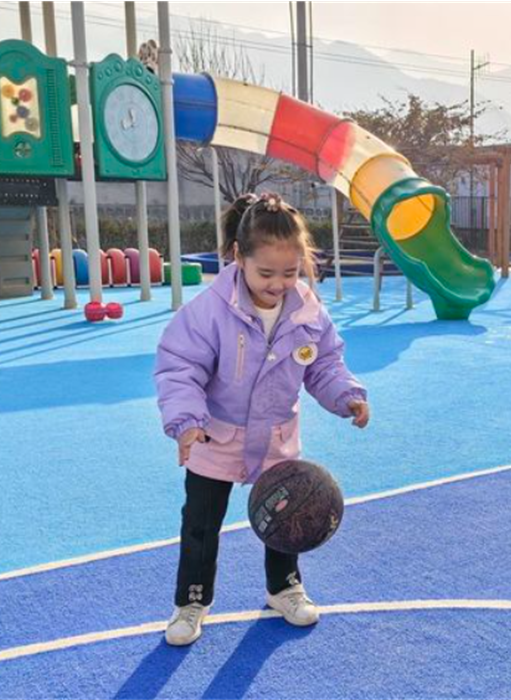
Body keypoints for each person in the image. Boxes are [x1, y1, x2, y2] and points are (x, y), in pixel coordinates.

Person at [155, 192, 370, 645]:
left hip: (275, 435)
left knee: (287, 513)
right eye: (266, 273)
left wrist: (346, 395)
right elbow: (180, 367)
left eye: (290, 273)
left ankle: (284, 586)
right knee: (200, 523)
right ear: (238, 257)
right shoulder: (209, 312)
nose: (278, 283)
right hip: (215, 437)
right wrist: (187, 420)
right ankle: (192, 600)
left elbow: (324, 363)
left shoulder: (308, 312)